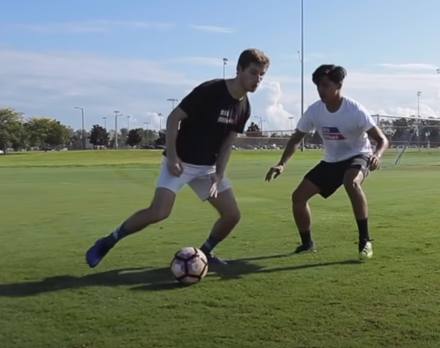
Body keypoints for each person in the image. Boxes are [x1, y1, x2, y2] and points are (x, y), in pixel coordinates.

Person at [85, 48, 270, 269]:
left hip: (208, 168)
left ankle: (204, 255)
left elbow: (227, 144)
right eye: (253, 72)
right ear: (239, 69)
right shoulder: (210, 90)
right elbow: (174, 118)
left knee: (232, 215)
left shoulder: (245, 107)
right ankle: (107, 242)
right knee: (159, 212)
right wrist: (172, 157)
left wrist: (219, 174)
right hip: (180, 163)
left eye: (261, 75)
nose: (257, 79)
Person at [265, 64, 388, 260]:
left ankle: (365, 240)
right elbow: (296, 139)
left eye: (325, 85)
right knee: (298, 198)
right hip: (332, 161)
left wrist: (377, 155)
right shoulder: (315, 111)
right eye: (318, 86)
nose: (321, 90)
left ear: (338, 85)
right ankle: (307, 244)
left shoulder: (354, 110)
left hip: (358, 155)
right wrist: (282, 164)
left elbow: (382, 139)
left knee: (351, 182)